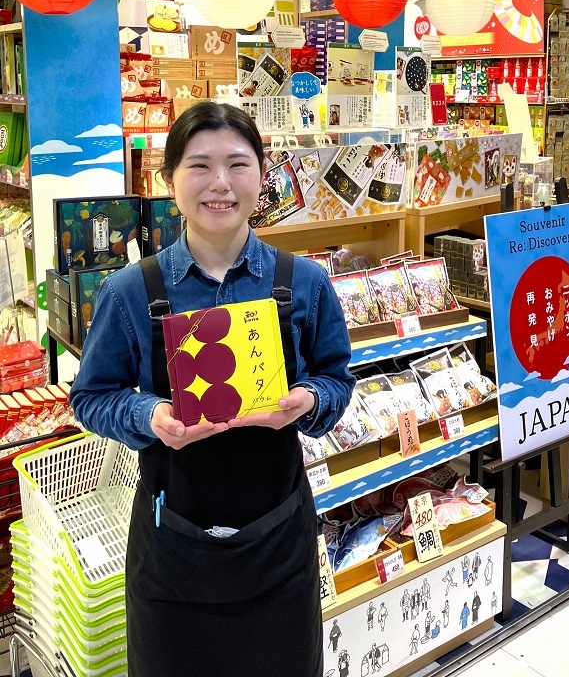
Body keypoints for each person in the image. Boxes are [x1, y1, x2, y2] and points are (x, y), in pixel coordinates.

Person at [70, 102, 355, 677]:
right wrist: (148, 415)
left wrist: (310, 403)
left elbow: (336, 380)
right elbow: (90, 397)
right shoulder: (131, 290)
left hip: (279, 546)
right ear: (168, 177)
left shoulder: (303, 281)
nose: (220, 184)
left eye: (238, 164)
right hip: (172, 552)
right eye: (199, 166)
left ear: (262, 173)